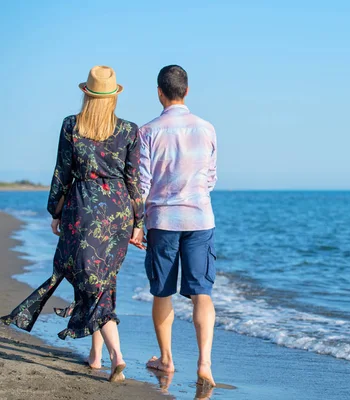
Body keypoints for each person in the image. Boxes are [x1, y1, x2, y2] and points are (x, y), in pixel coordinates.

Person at [0, 65, 145, 383]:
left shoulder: (72, 125)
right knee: (99, 279)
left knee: (92, 281)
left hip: (83, 210)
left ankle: (116, 357)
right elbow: (134, 180)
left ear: (86, 94)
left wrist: (55, 211)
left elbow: (61, 173)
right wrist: (138, 222)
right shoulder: (129, 130)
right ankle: (95, 356)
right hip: (118, 212)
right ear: (113, 97)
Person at [133, 65, 218, 387]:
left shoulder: (149, 131)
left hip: (163, 221)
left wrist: (136, 224)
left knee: (162, 291)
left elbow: (141, 184)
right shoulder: (207, 128)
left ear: (159, 92)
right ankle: (205, 364)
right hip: (199, 218)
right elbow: (211, 178)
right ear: (187, 90)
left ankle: (166, 359)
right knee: (202, 292)